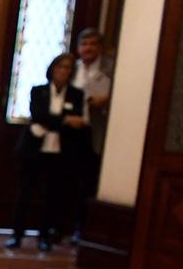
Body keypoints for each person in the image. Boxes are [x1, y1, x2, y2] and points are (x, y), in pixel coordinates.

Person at [8, 52, 89, 252]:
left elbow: (78, 122)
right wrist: (64, 120)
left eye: (68, 67)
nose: (63, 71)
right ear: (53, 69)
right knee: (25, 192)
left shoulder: (75, 95)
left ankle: (45, 235)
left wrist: (59, 121)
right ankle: (17, 234)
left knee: (53, 195)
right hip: (34, 149)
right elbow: (39, 116)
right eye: (60, 66)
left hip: (60, 151)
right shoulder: (39, 91)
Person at [74, 27, 114, 230]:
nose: (88, 48)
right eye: (84, 44)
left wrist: (106, 101)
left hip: (96, 132)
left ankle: (83, 228)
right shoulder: (72, 68)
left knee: (89, 181)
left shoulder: (111, 68)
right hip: (73, 132)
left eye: (92, 44)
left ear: (100, 47)